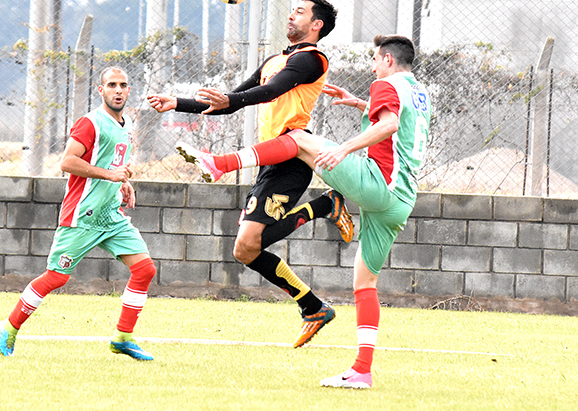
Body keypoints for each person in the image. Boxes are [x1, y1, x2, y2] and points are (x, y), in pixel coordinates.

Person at [175, 35, 431, 389]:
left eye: (375, 59)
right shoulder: (419, 92)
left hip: (379, 184)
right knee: (365, 283)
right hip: (401, 200)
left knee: (300, 139)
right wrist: (360, 104)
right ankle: (361, 371)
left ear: (388, 59)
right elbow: (402, 124)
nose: (373, 66)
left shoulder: (384, 84)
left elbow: (388, 125)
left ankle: (219, 163)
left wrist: (344, 149)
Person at [148, 0, 352, 348]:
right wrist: (177, 103)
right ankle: (313, 304)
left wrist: (234, 100)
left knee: (246, 246)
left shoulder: (312, 60)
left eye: (300, 12)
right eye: (292, 10)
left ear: (316, 25)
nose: (291, 16)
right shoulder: (276, 59)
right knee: (245, 250)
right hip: (268, 161)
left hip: (290, 158)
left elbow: (272, 90)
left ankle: (322, 213)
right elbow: (228, 101)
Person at [0, 67, 157, 361]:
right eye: (112, 85)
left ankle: (122, 337)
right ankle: (8, 326)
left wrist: (124, 183)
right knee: (56, 277)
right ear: (101, 90)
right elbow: (67, 162)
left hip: (111, 215)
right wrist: (110, 176)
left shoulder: (127, 123)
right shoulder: (90, 123)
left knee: (144, 269)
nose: (118, 90)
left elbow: (113, 163)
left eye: (123, 85)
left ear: (129, 90)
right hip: (83, 215)